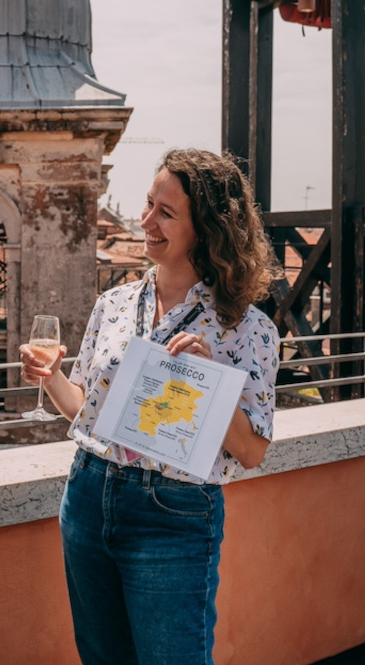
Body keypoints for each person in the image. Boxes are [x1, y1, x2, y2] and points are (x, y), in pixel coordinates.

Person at [21, 148, 280, 665]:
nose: (145, 222)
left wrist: (213, 381)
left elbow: (252, 452)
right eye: (147, 205)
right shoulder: (112, 305)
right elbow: (87, 415)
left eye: (165, 212)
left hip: (175, 513)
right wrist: (50, 378)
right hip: (90, 494)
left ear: (207, 229)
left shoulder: (249, 329)